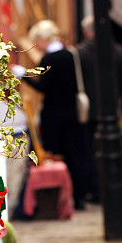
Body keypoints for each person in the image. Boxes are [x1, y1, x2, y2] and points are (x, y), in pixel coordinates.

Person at [19, 20, 88, 210]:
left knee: (54, 155)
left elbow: (43, 87)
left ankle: (57, 199)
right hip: (72, 112)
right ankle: (78, 197)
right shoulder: (71, 54)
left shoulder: (48, 59)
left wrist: (23, 75)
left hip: (54, 115)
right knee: (74, 154)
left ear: (43, 39)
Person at [76, 14, 122, 203]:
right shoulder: (119, 52)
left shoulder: (80, 53)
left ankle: (94, 189)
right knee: (114, 149)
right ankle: (110, 188)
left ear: (87, 31)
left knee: (89, 152)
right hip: (112, 110)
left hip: (89, 111)